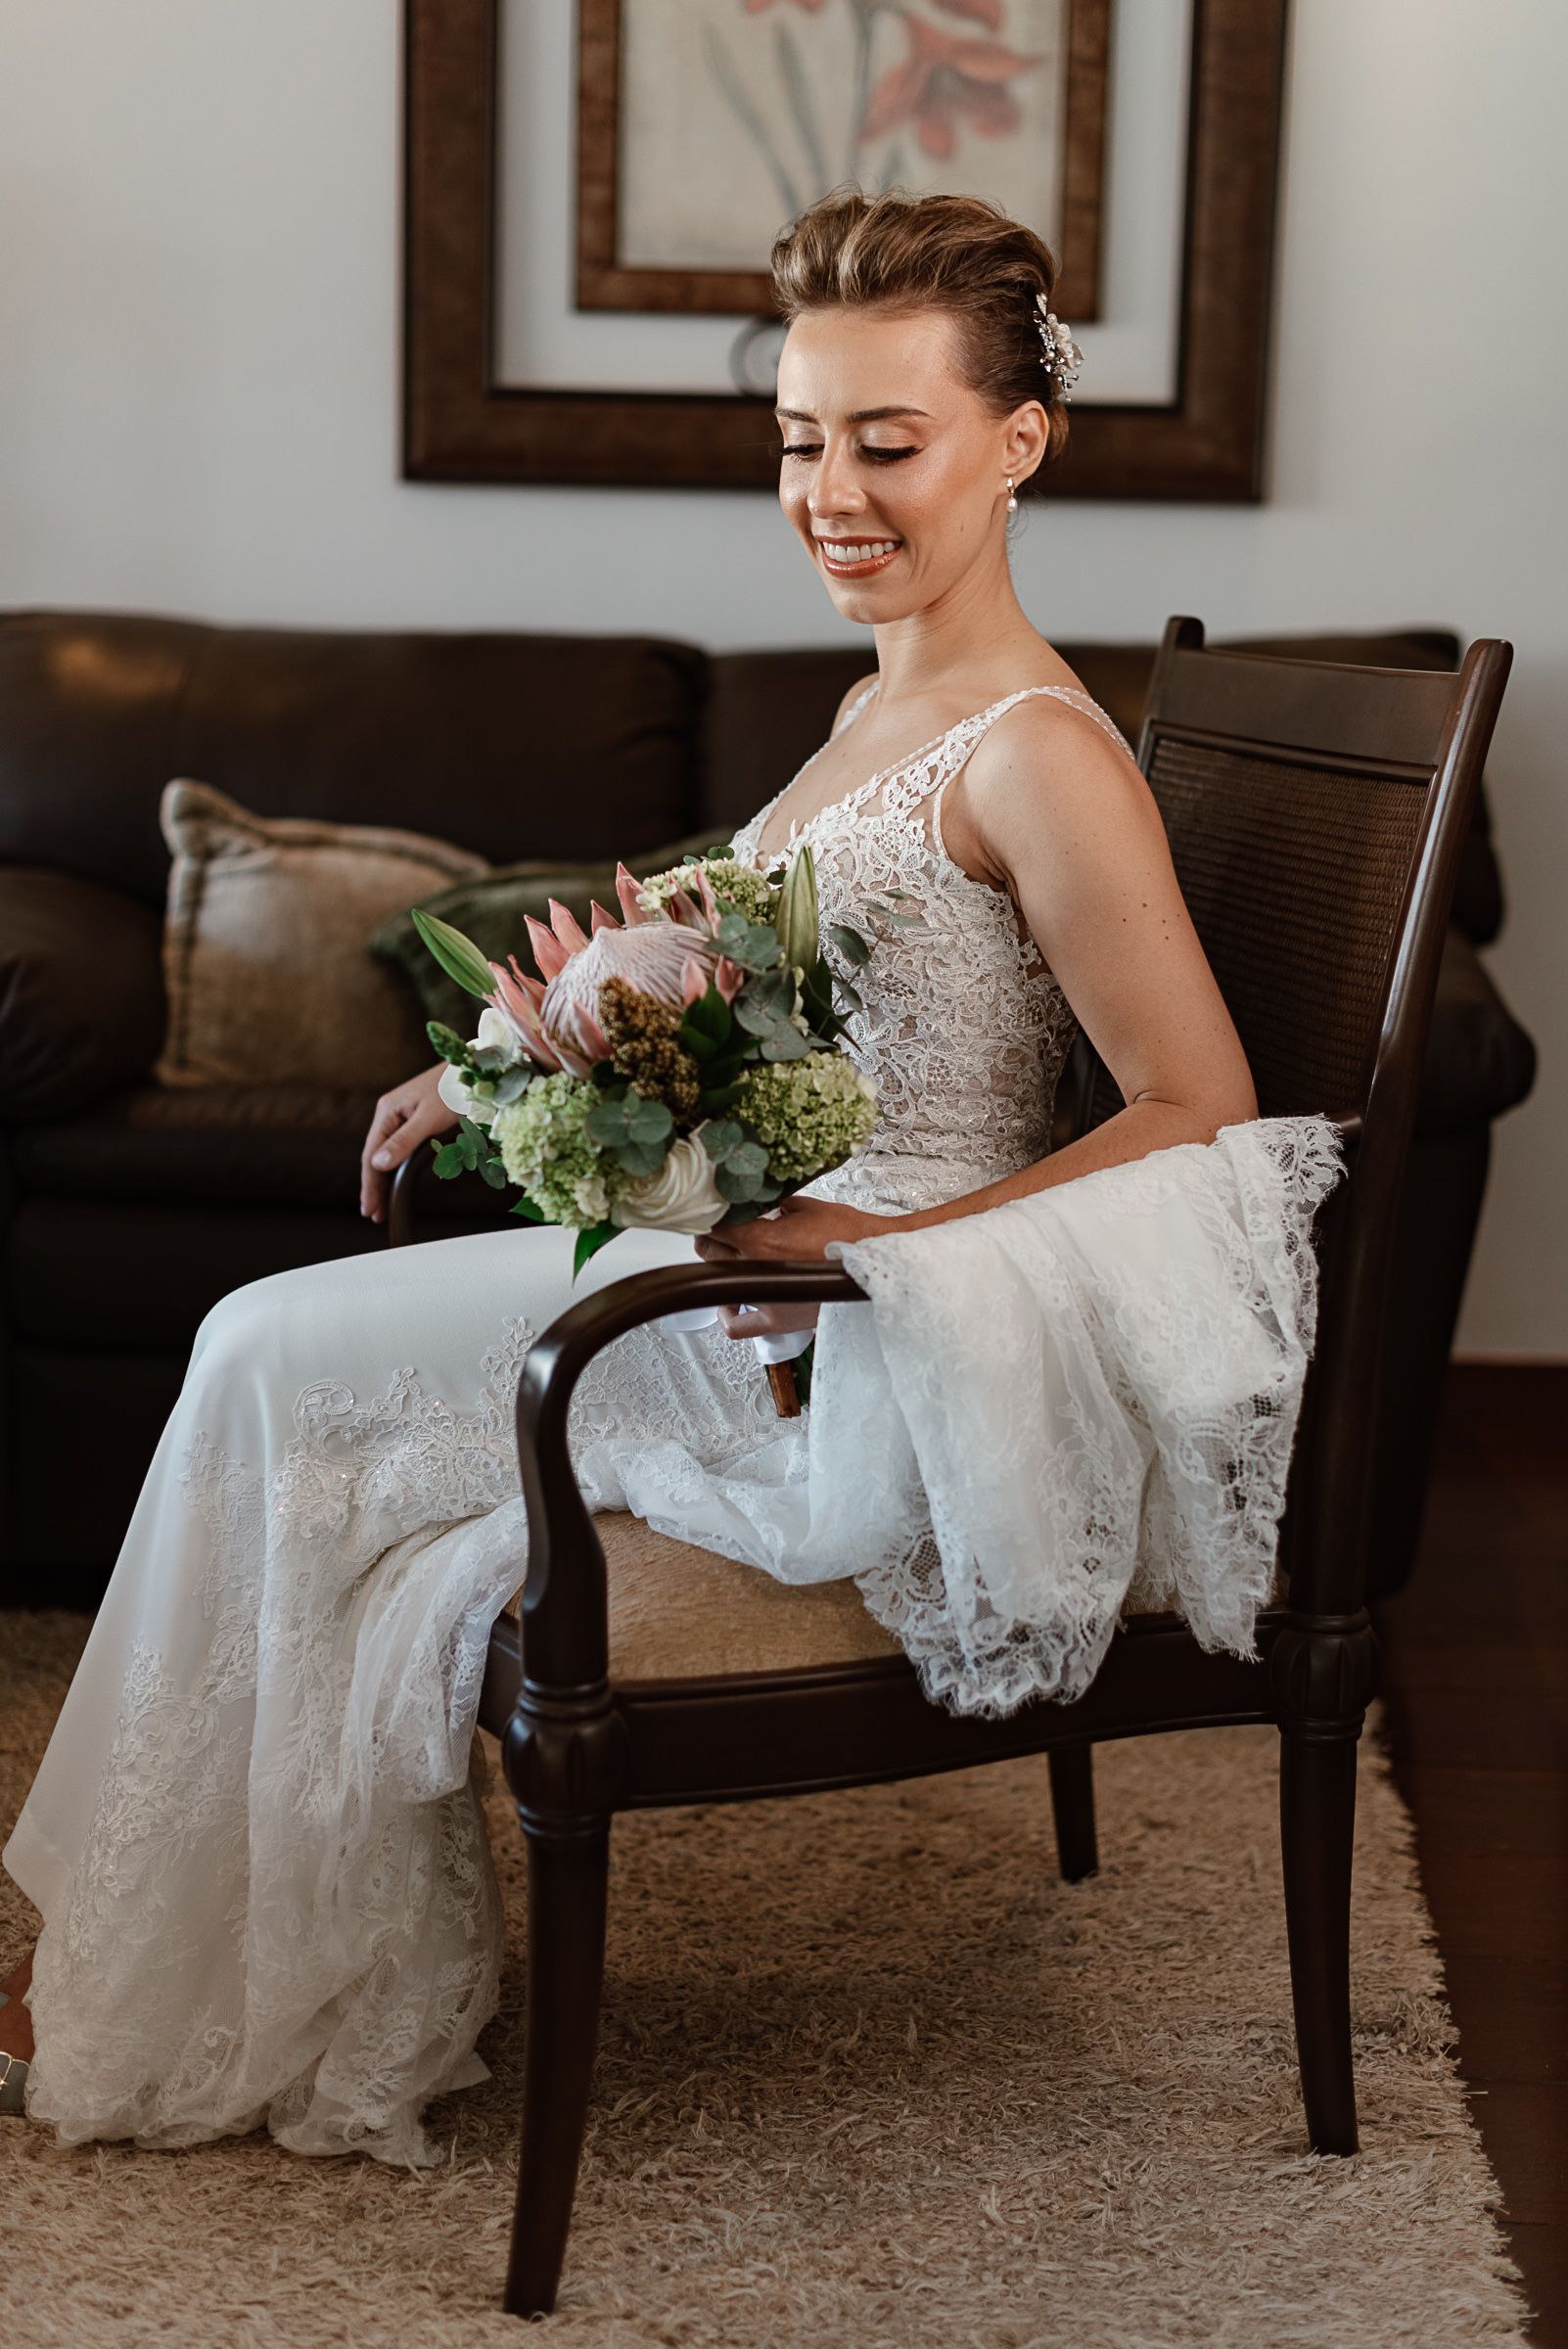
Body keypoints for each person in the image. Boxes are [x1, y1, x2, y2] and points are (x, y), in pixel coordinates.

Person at [0, 190, 1254, 2153]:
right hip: (729, 1265)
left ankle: (140, 1948)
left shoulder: (1038, 755)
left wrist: (897, 1244)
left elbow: (1193, 1106)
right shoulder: (871, 707)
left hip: (841, 1336)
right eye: (799, 441)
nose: (830, 493)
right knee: (280, 1386)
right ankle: (182, 1941)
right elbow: (696, 928)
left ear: (1020, 444)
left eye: (887, 441)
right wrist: (496, 1055)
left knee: (262, 1356)